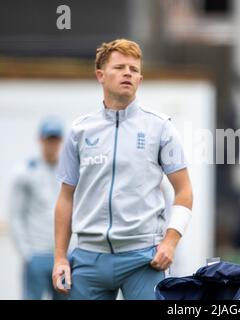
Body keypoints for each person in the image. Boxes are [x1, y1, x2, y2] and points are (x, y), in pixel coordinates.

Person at [51, 39, 193, 300]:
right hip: (88, 260)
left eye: (134, 69)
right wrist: (60, 257)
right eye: (119, 67)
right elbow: (65, 197)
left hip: (143, 260)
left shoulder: (161, 128)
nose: (128, 73)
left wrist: (170, 242)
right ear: (100, 76)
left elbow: (184, 191)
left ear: (140, 79)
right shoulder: (79, 131)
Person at [9, 116, 65, 300]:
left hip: (63, 255)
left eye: (55, 139)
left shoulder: (69, 170)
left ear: (60, 140)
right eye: (49, 139)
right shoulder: (26, 171)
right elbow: (16, 215)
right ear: (41, 139)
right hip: (37, 253)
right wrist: (27, 253)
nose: (52, 144)